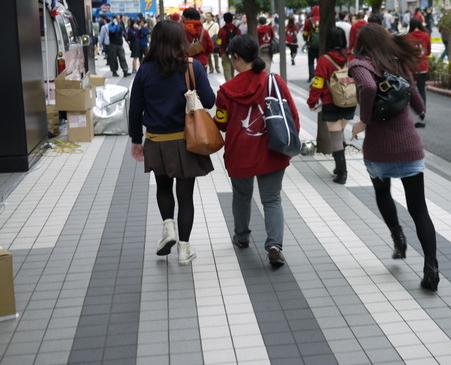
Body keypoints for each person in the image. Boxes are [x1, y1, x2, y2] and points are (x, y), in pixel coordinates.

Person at [348, 24, 437, 291]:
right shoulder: (396, 61)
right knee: (419, 207)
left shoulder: (360, 65)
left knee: (382, 191)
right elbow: (415, 97)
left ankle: (397, 235)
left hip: (378, 149)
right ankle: (431, 268)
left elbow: (367, 87)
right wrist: (419, 110)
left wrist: (364, 121)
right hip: (408, 145)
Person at [129, 20, 216, 265]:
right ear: (181, 40)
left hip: (157, 142)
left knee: (163, 188)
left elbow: (135, 109)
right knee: (185, 196)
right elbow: (209, 101)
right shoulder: (192, 67)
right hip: (187, 141)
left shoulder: (145, 70)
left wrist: (136, 140)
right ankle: (184, 249)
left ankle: (168, 228)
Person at [215, 34, 300, 266]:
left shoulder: (225, 91)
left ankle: (241, 236)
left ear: (235, 57)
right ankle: (274, 245)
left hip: (239, 152)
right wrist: (289, 143)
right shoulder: (274, 81)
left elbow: (221, 123)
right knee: (272, 199)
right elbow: (292, 115)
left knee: (241, 196)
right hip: (272, 150)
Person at [307, 27, 355, 184]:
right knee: (339, 134)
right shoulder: (351, 57)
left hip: (331, 101)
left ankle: (342, 173)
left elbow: (318, 82)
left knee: (335, 138)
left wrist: (312, 101)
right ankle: (338, 168)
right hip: (349, 100)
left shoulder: (324, 60)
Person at [405, 17, 431, 128]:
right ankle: (422, 112)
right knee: (421, 90)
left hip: (411, 67)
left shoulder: (407, 37)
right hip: (422, 66)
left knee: (410, 90)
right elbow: (429, 51)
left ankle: (408, 113)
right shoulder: (425, 35)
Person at [216, 12, 240, 82]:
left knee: (227, 71)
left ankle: (230, 86)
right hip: (236, 53)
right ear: (232, 19)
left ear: (224, 19)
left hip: (225, 52)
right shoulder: (237, 30)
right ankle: (233, 84)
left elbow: (219, 42)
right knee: (233, 70)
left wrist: (220, 49)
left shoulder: (222, 30)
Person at [302, 6, 321, 81]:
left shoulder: (308, 21)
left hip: (311, 44)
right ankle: (319, 76)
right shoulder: (323, 19)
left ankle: (311, 75)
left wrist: (306, 40)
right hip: (321, 45)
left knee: (311, 61)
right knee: (320, 61)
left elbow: (305, 33)